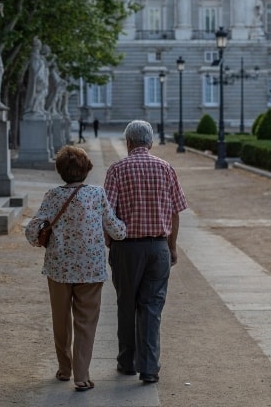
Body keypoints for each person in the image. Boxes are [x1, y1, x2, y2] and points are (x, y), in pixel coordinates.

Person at [25, 146, 126, 392]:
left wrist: (39, 238)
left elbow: (32, 231)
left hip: (59, 267)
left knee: (60, 319)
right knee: (86, 322)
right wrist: (124, 230)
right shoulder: (97, 194)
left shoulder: (52, 195)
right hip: (90, 268)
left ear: (60, 171)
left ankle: (64, 368)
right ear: (86, 169)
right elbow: (115, 229)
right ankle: (81, 376)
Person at [103, 120, 188, 384]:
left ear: (128, 142)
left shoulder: (117, 169)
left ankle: (127, 362)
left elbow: (107, 213)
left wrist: (110, 242)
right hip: (158, 247)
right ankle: (149, 367)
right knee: (152, 308)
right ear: (149, 143)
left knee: (126, 304)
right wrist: (171, 246)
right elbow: (176, 212)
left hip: (127, 248)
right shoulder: (166, 168)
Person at [22, 37, 49, 117]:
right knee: (41, 92)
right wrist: (39, 78)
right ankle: (34, 107)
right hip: (38, 79)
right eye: (39, 45)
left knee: (42, 93)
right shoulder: (34, 56)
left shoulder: (38, 56)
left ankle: (38, 108)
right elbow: (34, 69)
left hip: (40, 79)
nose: (39, 47)